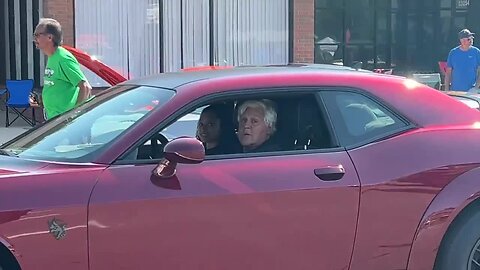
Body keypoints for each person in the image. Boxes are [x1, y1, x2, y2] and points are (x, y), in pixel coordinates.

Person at [30, 18, 92, 119]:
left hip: (65, 124)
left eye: (37, 35)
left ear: (50, 37)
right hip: (53, 119)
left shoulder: (63, 58)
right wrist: (42, 99)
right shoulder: (52, 57)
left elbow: (85, 87)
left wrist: (75, 114)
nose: (34, 39)